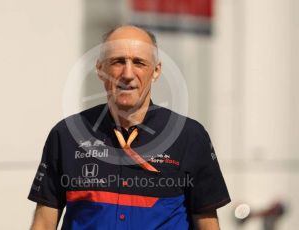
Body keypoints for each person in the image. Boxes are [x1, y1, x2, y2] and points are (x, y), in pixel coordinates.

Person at [28, 25, 230, 230]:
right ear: (100, 69)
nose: (127, 73)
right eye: (117, 62)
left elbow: (207, 224)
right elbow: (44, 222)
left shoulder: (189, 136)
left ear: (156, 71)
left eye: (139, 63)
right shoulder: (66, 134)